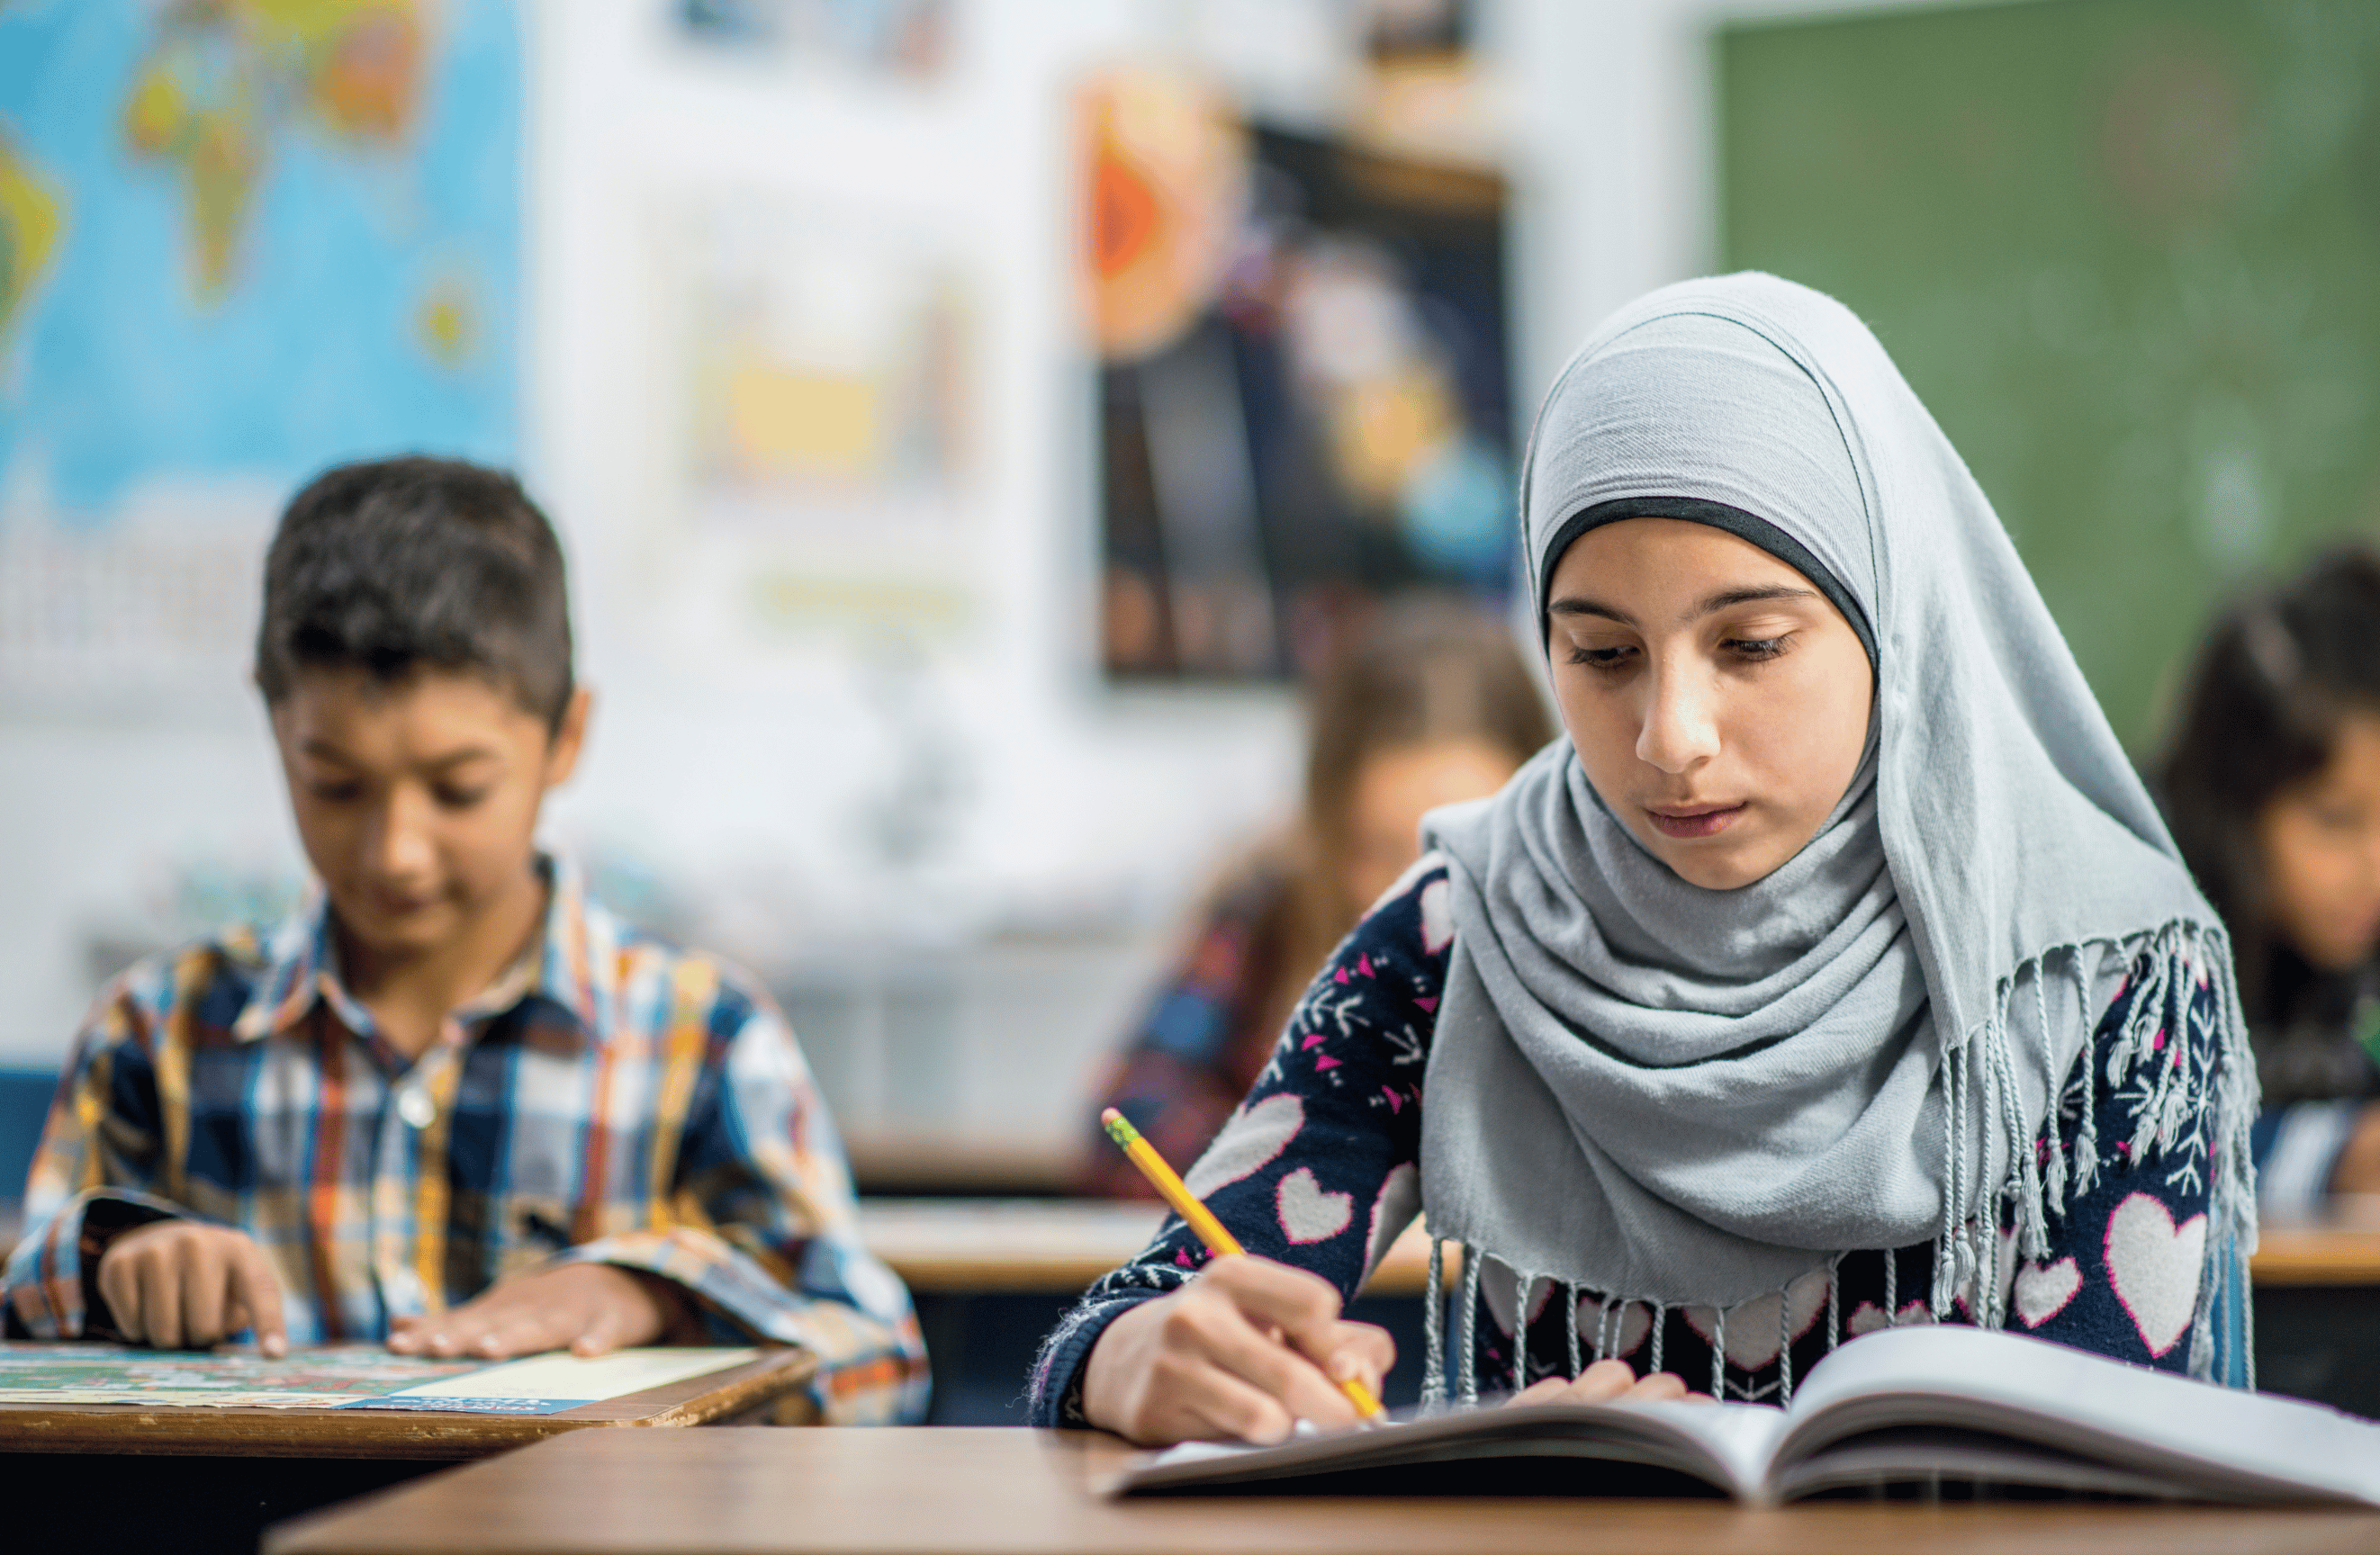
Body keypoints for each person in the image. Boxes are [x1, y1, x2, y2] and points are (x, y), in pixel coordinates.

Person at [1030, 274, 2261, 1447]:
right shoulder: (1465, 928)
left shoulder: (2106, 969)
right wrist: (1134, 1358)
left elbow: (2112, 1477)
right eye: (1603, 656)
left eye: (1753, 644)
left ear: (1892, 616)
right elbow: (1147, 1310)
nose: (1670, 740)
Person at [1, 457, 927, 1425]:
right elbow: (26, 1327)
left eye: (458, 789)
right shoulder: (160, 1032)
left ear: (566, 737)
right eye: (335, 783)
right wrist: (115, 1267)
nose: (395, 852)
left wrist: (655, 1294)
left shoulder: (705, 1038)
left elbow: (879, 1362)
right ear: (277, 726)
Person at [1079, 603, 1555, 1197]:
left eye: (1464, 846)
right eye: (1378, 851)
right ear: (1328, 833)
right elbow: (1131, 1122)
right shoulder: (1268, 917)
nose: (1421, 894)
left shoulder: (1597, 933)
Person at [2158, 547, 2380, 1218]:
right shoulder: (2147, 942)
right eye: (2337, 819)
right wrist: (2337, 1160)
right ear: (2235, 802)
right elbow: (2132, 1155)